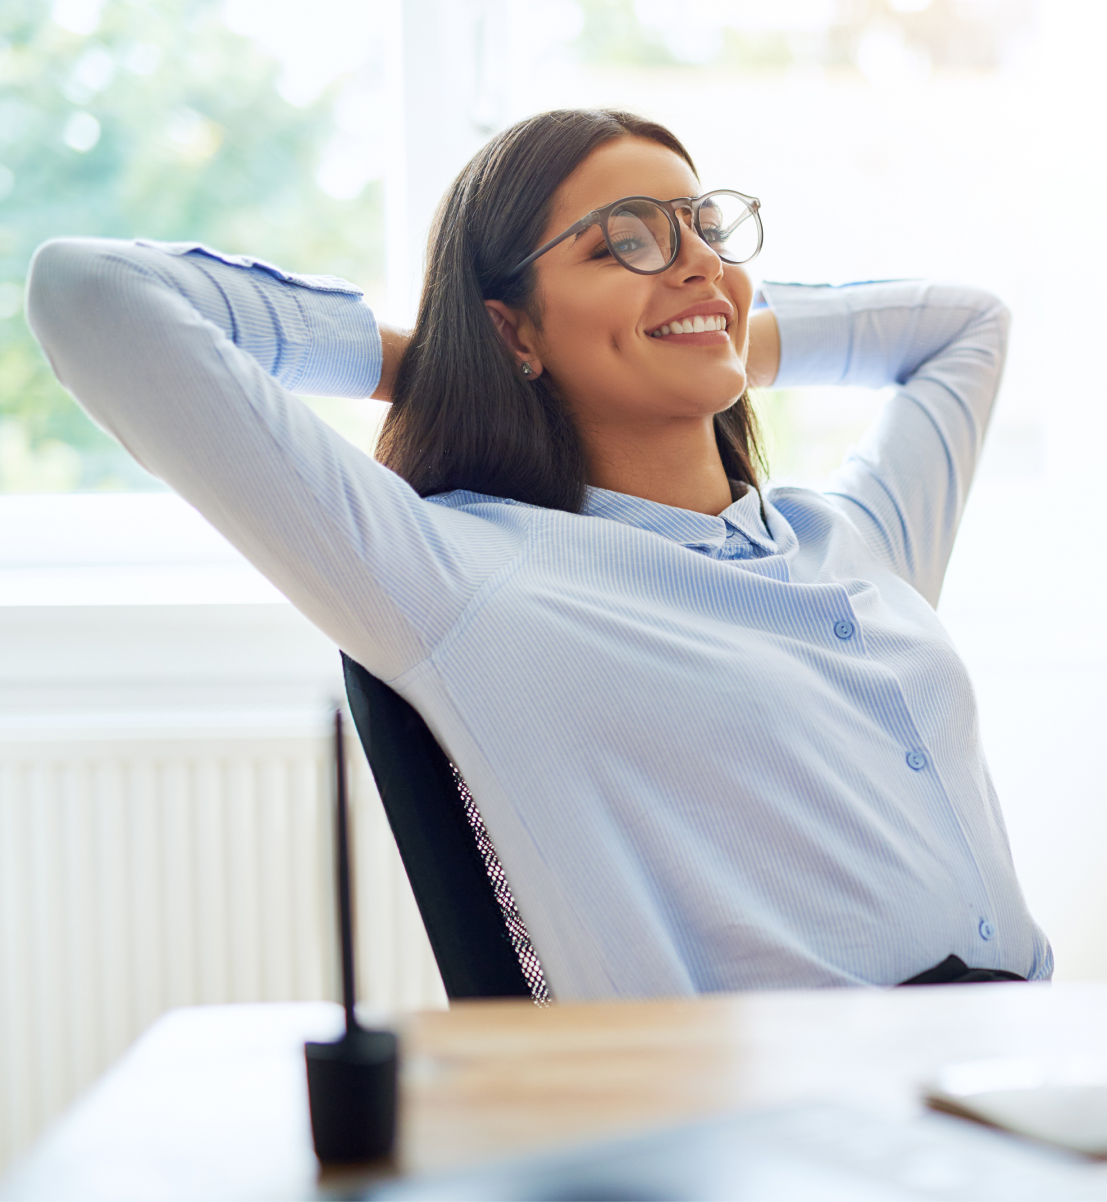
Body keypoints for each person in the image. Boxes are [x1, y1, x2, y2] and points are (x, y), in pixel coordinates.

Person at [25, 107, 1051, 1001]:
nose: (695, 258)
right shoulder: (466, 579)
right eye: (625, 246)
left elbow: (970, 326)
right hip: (789, 1137)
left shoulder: (856, 541)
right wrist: (428, 362)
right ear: (514, 330)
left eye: (705, 230)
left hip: (1039, 1074)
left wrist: (721, 325)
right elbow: (87, 292)